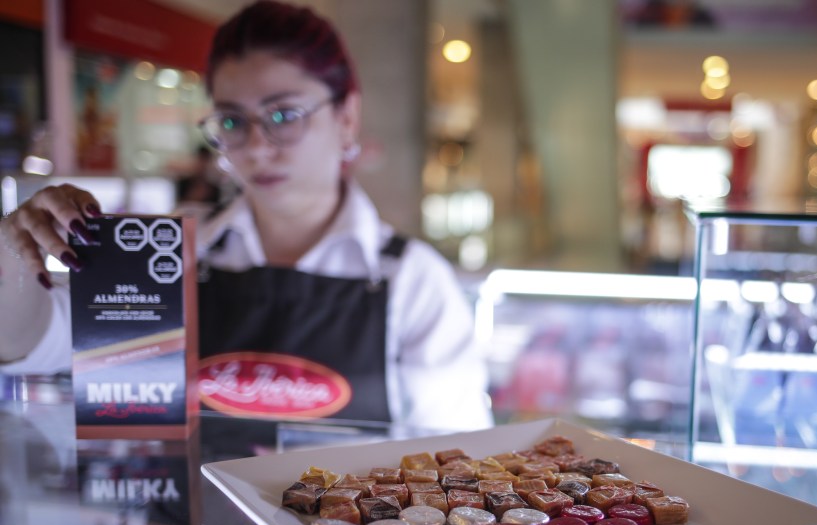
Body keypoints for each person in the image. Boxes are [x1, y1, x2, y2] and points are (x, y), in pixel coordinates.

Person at [0, 0, 492, 432]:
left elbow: (454, 462)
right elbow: (29, 342)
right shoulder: (170, 253)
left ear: (346, 117)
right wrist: (12, 256)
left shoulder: (411, 280)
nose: (257, 146)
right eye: (233, 121)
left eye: (283, 115)